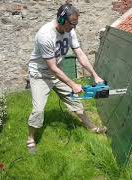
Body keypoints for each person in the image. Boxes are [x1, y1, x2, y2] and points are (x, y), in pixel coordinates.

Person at [26, 3, 107, 152]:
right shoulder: (45, 35)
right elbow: (52, 67)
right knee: (38, 111)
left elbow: (80, 55)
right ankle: (30, 138)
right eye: (72, 24)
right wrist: (72, 84)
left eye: (76, 24)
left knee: (75, 100)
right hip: (40, 75)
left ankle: (91, 127)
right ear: (62, 20)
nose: (74, 28)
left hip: (57, 72)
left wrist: (94, 75)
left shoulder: (70, 31)